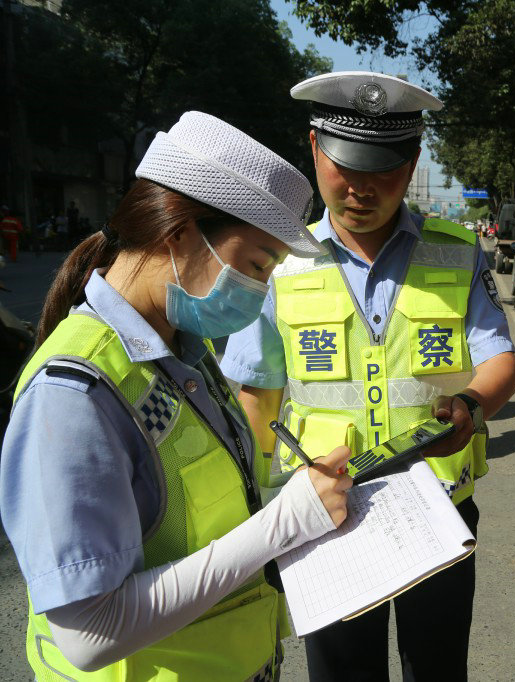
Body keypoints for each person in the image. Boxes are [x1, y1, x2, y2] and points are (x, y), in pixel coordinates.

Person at [0, 111, 353, 680]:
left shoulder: (184, 350)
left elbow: (200, 514)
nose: (259, 290)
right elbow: (87, 634)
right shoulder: (72, 394)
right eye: (256, 265)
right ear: (179, 231)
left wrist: (296, 498)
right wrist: (283, 525)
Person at [221, 71, 515, 681]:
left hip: (438, 508)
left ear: (411, 164)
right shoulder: (280, 262)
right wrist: (256, 522)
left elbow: (500, 360)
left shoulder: (458, 251)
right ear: (314, 150)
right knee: (343, 673)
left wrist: (471, 404)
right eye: (345, 167)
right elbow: (258, 399)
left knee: (436, 668)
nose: (360, 189)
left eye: (382, 169)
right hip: (324, 513)